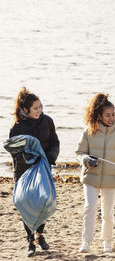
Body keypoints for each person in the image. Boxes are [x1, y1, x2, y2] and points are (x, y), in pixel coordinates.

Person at [76, 93, 115, 253]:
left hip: (112, 178)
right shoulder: (88, 132)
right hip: (90, 177)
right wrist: (86, 159)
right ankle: (86, 241)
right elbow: (79, 153)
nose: (111, 118)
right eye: (107, 115)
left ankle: (107, 241)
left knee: (107, 213)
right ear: (99, 115)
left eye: (113, 115)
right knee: (90, 207)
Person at [9, 87, 60, 257]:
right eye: (35, 108)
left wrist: (50, 158)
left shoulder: (48, 121)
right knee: (26, 204)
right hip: (24, 171)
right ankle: (30, 240)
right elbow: (14, 150)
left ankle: (40, 234)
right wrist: (30, 159)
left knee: (44, 201)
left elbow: (55, 142)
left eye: (40, 107)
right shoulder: (17, 127)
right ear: (25, 109)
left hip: (43, 168)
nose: (40, 110)